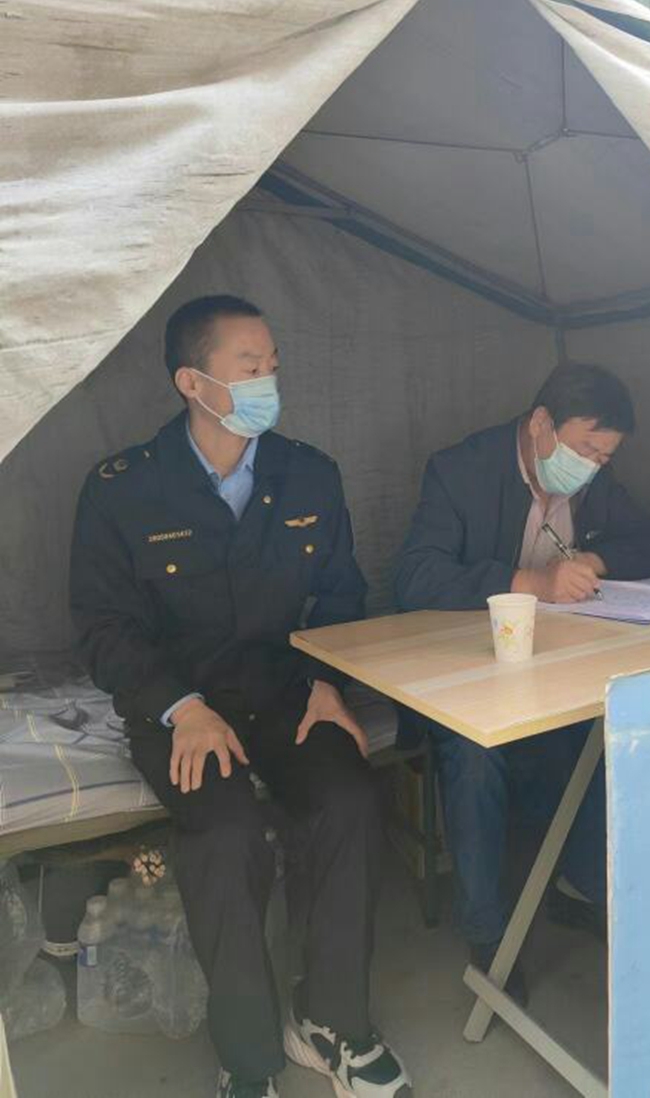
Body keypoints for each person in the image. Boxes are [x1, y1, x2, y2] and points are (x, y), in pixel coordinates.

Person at [70, 296, 410, 1098]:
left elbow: (340, 595)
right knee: (225, 834)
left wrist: (328, 684)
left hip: (288, 693)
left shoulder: (308, 472)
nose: (268, 380)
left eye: (273, 365)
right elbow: (105, 629)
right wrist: (181, 707)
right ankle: (248, 1057)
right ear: (192, 381)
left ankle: (331, 1021)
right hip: (182, 707)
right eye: (249, 366)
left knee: (351, 802)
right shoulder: (123, 489)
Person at [394, 362, 650, 1001]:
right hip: (465, 672)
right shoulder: (460, 470)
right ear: (541, 424)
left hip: (556, 668)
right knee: (474, 758)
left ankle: (583, 884)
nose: (592, 466)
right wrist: (533, 584)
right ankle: (488, 934)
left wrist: (595, 559)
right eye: (585, 449)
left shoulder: (593, 480)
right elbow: (414, 576)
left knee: (610, 729)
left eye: (605, 457)